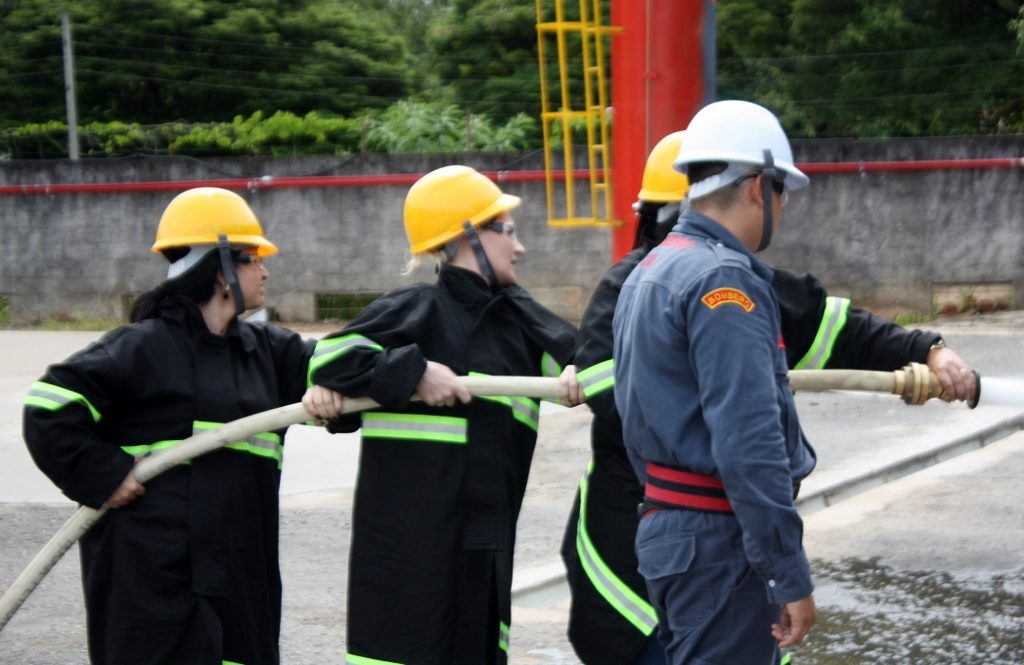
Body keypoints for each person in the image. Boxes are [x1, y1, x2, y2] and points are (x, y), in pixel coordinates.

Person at [565, 130, 976, 665]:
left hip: (669, 529)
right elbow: (747, 444)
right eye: (782, 191)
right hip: (716, 534)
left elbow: (835, 326)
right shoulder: (723, 283)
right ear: (759, 187)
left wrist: (925, 346)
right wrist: (787, 571)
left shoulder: (651, 274)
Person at [22, 187, 322, 665]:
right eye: (253, 260)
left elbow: (339, 363)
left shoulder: (267, 353)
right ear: (222, 267)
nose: (265, 271)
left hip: (242, 586)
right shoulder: (140, 350)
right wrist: (104, 473)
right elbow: (49, 407)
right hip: (153, 588)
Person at [301, 165, 584, 665]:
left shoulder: (519, 330)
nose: (519, 249)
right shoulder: (418, 310)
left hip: (484, 564)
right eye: (510, 232)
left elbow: (586, 362)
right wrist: (415, 370)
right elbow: (328, 360)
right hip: (406, 578)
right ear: (469, 234)